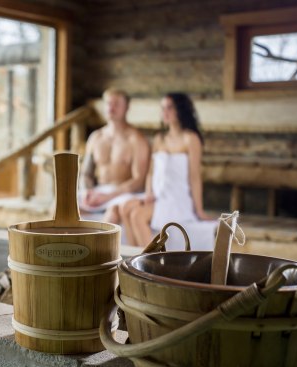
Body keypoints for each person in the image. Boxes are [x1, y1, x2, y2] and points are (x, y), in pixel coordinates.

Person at [115, 92, 215, 248]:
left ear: (180, 110)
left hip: (176, 199)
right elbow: (150, 172)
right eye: (162, 108)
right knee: (125, 207)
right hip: (158, 196)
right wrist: (148, 193)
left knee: (137, 215)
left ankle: (153, 262)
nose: (164, 112)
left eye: (169, 108)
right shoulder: (159, 139)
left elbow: (195, 177)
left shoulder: (190, 139)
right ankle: (135, 260)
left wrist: (199, 210)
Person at [79, 88, 150, 218]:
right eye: (108, 103)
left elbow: (138, 180)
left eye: (116, 104)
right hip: (99, 190)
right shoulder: (96, 137)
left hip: (122, 194)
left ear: (126, 108)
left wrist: (109, 196)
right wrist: (87, 191)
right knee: (58, 207)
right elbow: (86, 173)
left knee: (113, 213)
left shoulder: (136, 140)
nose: (111, 108)